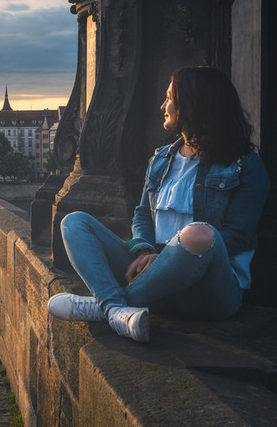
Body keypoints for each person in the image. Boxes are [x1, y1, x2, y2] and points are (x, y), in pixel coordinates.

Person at [48, 66, 269, 342]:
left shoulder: (245, 166)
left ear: (193, 104)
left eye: (169, 98)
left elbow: (236, 237)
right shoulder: (162, 158)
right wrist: (144, 250)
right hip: (152, 281)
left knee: (199, 234)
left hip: (206, 293)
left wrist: (164, 258)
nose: (162, 105)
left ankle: (105, 305)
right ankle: (118, 311)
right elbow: (142, 215)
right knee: (74, 221)